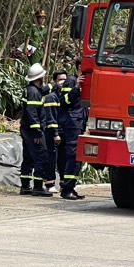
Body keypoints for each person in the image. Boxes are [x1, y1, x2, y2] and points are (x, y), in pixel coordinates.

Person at [19, 63, 52, 197]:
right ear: (40, 78)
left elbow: (43, 91)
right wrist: (37, 132)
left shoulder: (31, 90)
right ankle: (38, 187)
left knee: (28, 157)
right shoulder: (33, 93)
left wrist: (55, 86)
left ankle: (25, 186)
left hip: (26, 130)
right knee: (41, 156)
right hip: (33, 131)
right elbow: (32, 112)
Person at [54, 67, 86, 200]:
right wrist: (77, 87)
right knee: (73, 155)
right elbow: (64, 101)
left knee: (77, 157)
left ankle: (70, 187)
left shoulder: (87, 82)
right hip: (71, 124)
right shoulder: (72, 81)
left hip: (78, 123)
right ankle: (66, 188)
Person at [41, 74, 62, 192]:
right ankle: (49, 183)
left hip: (50, 131)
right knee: (50, 156)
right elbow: (51, 117)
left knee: (54, 156)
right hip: (49, 131)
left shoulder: (58, 96)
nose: (62, 82)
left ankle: (51, 183)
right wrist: (55, 133)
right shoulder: (52, 97)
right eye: (60, 80)